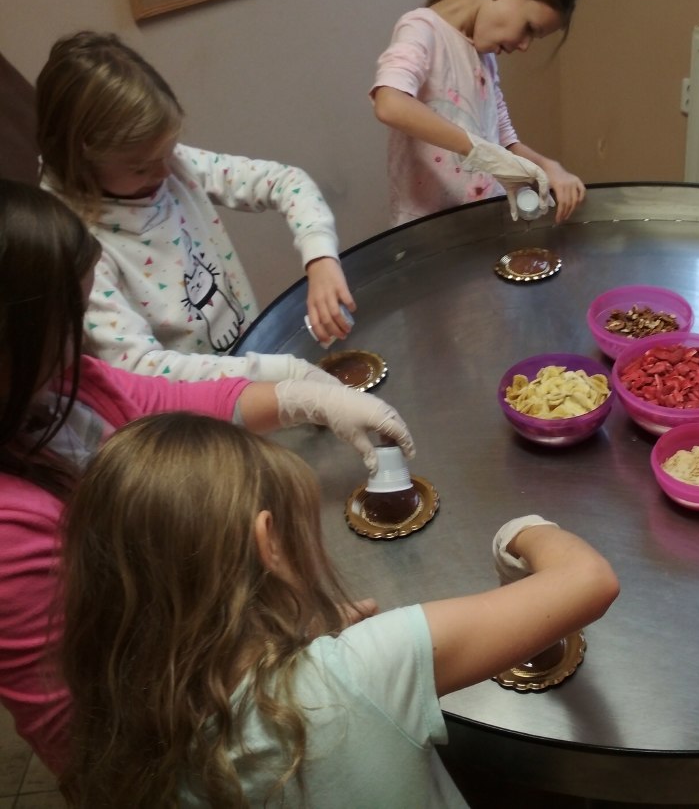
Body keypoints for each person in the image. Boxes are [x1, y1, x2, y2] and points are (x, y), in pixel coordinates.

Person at [0, 179, 414, 776]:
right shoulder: (11, 542)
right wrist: (273, 666)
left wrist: (303, 397)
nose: (85, 336)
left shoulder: (64, 382)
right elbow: (87, 740)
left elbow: (167, 401)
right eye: (68, 321)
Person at [59, 414, 619, 806]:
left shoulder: (119, 728)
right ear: (267, 543)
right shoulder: (361, 671)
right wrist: (522, 531)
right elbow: (589, 581)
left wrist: (297, 646)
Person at [36, 30, 356, 381]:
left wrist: (320, 258)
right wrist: (281, 372)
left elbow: (286, 182)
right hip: (188, 410)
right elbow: (140, 366)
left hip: (250, 370)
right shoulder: (75, 245)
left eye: (168, 152)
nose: (165, 172)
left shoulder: (172, 165)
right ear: (82, 159)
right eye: (141, 167)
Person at [371, 0, 586, 226]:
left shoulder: (483, 53)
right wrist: (480, 151)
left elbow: (503, 140)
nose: (524, 46)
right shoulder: (421, 30)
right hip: (428, 229)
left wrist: (548, 167)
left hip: (481, 219)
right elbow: (389, 103)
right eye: (528, 28)